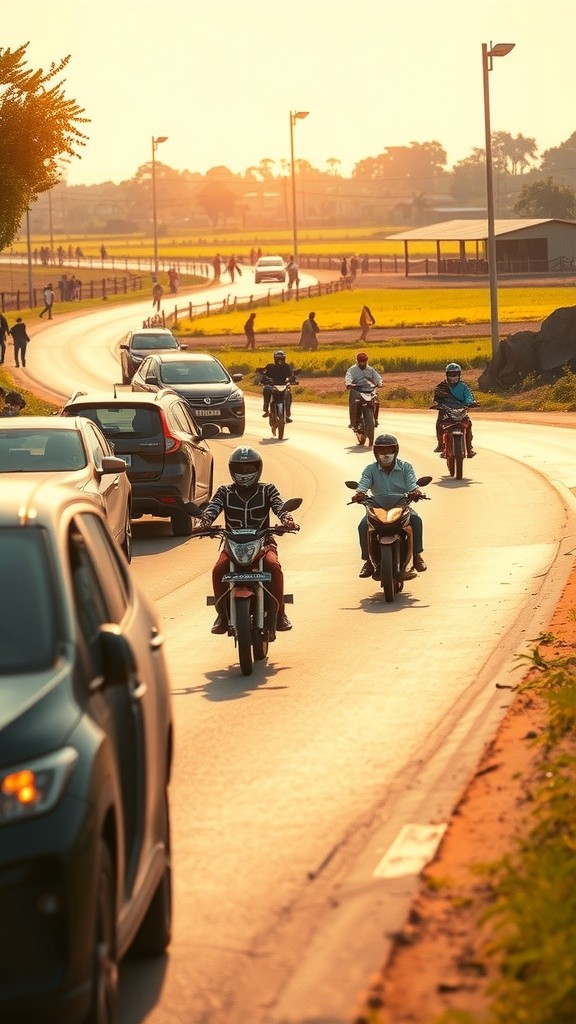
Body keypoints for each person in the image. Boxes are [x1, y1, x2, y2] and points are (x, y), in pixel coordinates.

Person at [200, 446, 298, 634]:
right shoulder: (224, 492)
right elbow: (213, 508)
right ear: (231, 470)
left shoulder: (267, 490)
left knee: (273, 568)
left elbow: (279, 506)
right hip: (232, 545)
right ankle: (222, 614)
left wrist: (287, 519)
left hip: (263, 543)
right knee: (219, 570)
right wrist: (204, 521)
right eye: (240, 469)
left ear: (258, 468)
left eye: (249, 468)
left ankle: (280, 614)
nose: (245, 473)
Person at [350, 433, 427, 578]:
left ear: (395, 451)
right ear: (376, 453)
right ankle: (367, 561)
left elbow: (412, 483)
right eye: (381, 451)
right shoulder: (370, 469)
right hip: (377, 507)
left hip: (401, 506)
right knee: (363, 526)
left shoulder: (406, 467)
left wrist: (416, 491)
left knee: (416, 520)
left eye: (389, 450)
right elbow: (363, 483)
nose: (385, 455)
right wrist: (359, 493)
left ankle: (417, 556)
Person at [433, 362, 476, 457]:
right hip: (445, 411)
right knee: (439, 424)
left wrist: (470, 403)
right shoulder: (441, 387)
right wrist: (437, 404)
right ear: (447, 375)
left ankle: (469, 449)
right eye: (451, 374)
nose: (453, 376)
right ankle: (441, 444)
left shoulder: (464, 387)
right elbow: (436, 399)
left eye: (455, 374)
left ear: (459, 374)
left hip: (461, 410)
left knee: (468, 424)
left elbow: (469, 397)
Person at [344, 352, 382, 430]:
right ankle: (353, 422)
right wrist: (349, 384)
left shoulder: (370, 369)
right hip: (357, 389)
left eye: (364, 361)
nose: (363, 363)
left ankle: (376, 418)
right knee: (353, 403)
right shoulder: (352, 370)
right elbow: (348, 377)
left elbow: (377, 376)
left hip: (369, 389)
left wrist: (379, 383)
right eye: (361, 362)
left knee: (376, 401)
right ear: (357, 361)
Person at [261, 350, 295, 422]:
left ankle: (287, 415)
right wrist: (263, 380)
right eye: (278, 359)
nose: (280, 361)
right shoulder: (270, 367)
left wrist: (293, 380)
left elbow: (291, 375)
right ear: (275, 359)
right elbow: (265, 375)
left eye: (281, 359)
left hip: (283, 385)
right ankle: (266, 410)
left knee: (289, 394)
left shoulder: (286, 367)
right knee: (266, 389)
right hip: (273, 385)